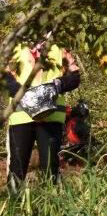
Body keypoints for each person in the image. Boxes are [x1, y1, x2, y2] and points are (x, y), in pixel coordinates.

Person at [4, 39, 82, 189]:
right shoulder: (15, 48)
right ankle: (14, 207)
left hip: (51, 116)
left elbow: (74, 77)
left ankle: (51, 207)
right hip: (21, 116)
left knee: (50, 169)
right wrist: (22, 92)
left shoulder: (59, 49)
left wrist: (59, 84)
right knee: (17, 169)